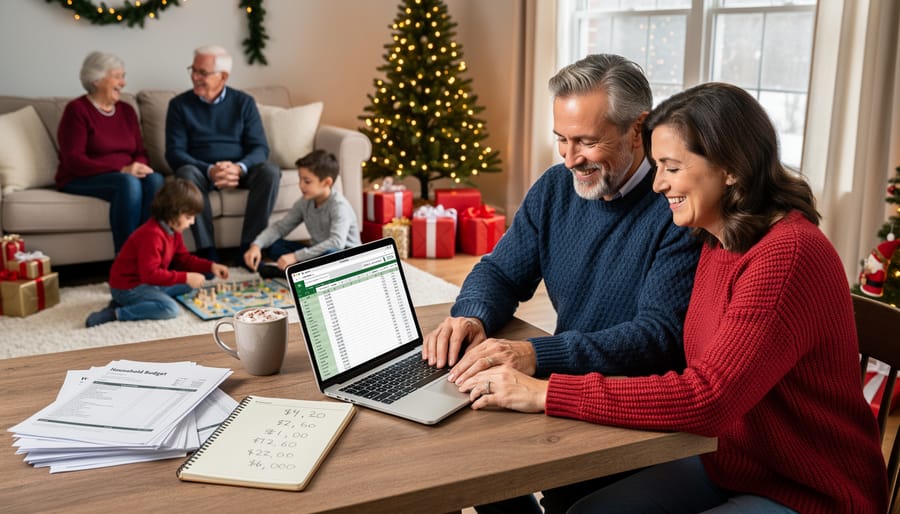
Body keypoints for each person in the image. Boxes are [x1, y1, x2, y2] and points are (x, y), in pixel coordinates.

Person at [459, 82, 889, 513]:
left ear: (731, 168)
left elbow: (709, 397)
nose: (658, 183)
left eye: (671, 166)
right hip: (728, 463)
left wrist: (545, 393)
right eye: (657, 165)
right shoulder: (714, 238)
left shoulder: (787, 254)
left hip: (808, 490)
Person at [422, 54, 702, 513]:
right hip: (566, 388)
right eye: (561, 140)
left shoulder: (675, 207)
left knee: (474, 464)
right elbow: (498, 271)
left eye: (587, 142)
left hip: (629, 412)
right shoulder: (555, 189)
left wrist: (536, 353)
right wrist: (471, 313)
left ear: (638, 129)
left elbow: (657, 337)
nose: (570, 159)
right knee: (451, 455)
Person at [165, 44, 280, 263]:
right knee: (186, 174)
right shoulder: (179, 106)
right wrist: (209, 170)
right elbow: (174, 152)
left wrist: (239, 167)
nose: (195, 76)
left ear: (223, 76)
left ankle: (249, 248)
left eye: (203, 73)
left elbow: (260, 148)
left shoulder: (243, 102)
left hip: (239, 170)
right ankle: (207, 252)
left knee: (270, 172)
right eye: (193, 70)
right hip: (200, 171)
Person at [56, 51, 164, 254]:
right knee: (128, 182)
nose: (123, 83)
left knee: (155, 179)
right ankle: (125, 260)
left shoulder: (126, 111)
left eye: (123, 76)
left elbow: (140, 151)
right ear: (96, 80)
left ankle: (148, 255)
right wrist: (123, 169)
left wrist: (140, 165)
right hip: (81, 177)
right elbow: (74, 160)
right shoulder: (77, 110)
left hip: (123, 175)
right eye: (117, 76)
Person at [85, 178, 229, 327]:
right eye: (188, 217)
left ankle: (131, 302)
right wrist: (185, 276)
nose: (192, 222)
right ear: (173, 213)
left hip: (148, 283)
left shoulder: (173, 231)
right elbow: (150, 274)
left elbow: (184, 258)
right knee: (169, 309)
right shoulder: (152, 235)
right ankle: (116, 313)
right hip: (127, 287)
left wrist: (211, 266)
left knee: (192, 285)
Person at [243, 150, 361, 278]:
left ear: (327, 182)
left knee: (331, 254)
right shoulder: (305, 202)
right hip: (317, 254)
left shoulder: (339, 206)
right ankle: (305, 272)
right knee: (273, 244)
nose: (301, 185)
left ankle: (296, 272)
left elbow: (336, 243)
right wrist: (256, 245)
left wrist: (295, 256)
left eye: (307, 181)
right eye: (300, 179)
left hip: (344, 258)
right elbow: (280, 227)